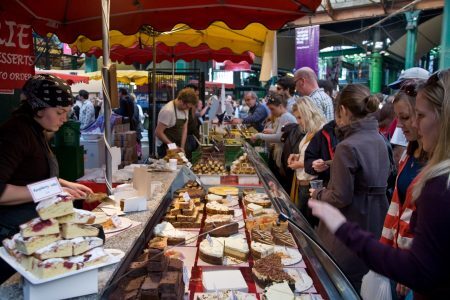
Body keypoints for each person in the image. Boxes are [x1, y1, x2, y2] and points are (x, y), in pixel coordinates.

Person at [309, 69, 450, 299]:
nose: (411, 124)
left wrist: (338, 223)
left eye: (418, 116)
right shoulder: (392, 145)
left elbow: (419, 269)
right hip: (382, 231)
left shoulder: (438, 184)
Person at [0, 74, 93, 283]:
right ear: (38, 108)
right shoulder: (15, 134)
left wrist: (64, 183)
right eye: (60, 112)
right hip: (13, 230)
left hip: (35, 218)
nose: (64, 119)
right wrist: (52, 190)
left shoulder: (37, 130)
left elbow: (30, 176)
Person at [309, 84, 390, 291]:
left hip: (349, 229)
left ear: (343, 110)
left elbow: (339, 196)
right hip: (376, 222)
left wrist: (318, 193)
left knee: (340, 286)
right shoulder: (380, 139)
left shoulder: (347, 145)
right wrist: (330, 163)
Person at [379, 81, 428, 299]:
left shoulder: (438, 165)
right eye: (399, 118)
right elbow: (396, 208)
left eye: (407, 117)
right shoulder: (409, 154)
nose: (400, 125)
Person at [287, 97, 326, 225]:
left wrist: (300, 163)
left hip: (312, 185)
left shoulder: (321, 131)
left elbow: (323, 162)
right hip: (303, 183)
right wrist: (297, 156)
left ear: (308, 114)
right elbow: (309, 154)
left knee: (305, 224)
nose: (297, 122)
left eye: (299, 117)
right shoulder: (310, 130)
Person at [251, 93, 296, 191]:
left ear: (280, 106)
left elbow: (279, 138)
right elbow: (282, 133)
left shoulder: (285, 116)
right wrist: (272, 132)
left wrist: (259, 136)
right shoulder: (283, 116)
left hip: (285, 156)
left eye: (272, 109)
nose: (271, 112)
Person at [155, 88, 198, 158]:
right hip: (165, 146)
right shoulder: (168, 111)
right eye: (187, 106)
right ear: (181, 101)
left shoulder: (185, 109)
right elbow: (158, 132)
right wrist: (172, 146)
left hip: (177, 145)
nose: (187, 109)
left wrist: (182, 147)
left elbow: (184, 128)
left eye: (189, 107)